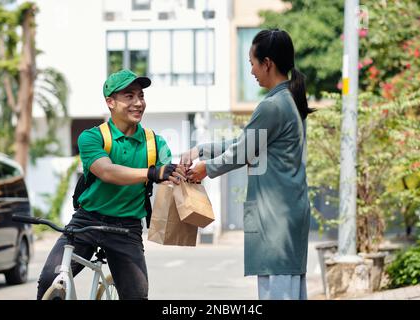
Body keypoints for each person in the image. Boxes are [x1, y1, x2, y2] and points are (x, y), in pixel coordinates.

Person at [181, 29, 315, 300]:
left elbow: (241, 152)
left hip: (276, 218)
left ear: (268, 63)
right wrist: (201, 150)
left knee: (278, 293)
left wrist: (205, 168)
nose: (251, 70)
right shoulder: (288, 101)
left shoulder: (273, 106)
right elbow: (246, 143)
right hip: (287, 214)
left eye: (252, 63)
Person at [37, 69, 186, 300]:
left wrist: (185, 173)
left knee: (137, 296)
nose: (138, 103)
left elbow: (169, 174)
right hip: (87, 220)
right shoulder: (92, 137)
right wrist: (152, 172)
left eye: (141, 96)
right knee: (50, 280)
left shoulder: (154, 143)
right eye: (129, 96)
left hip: (127, 228)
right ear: (111, 102)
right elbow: (106, 171)